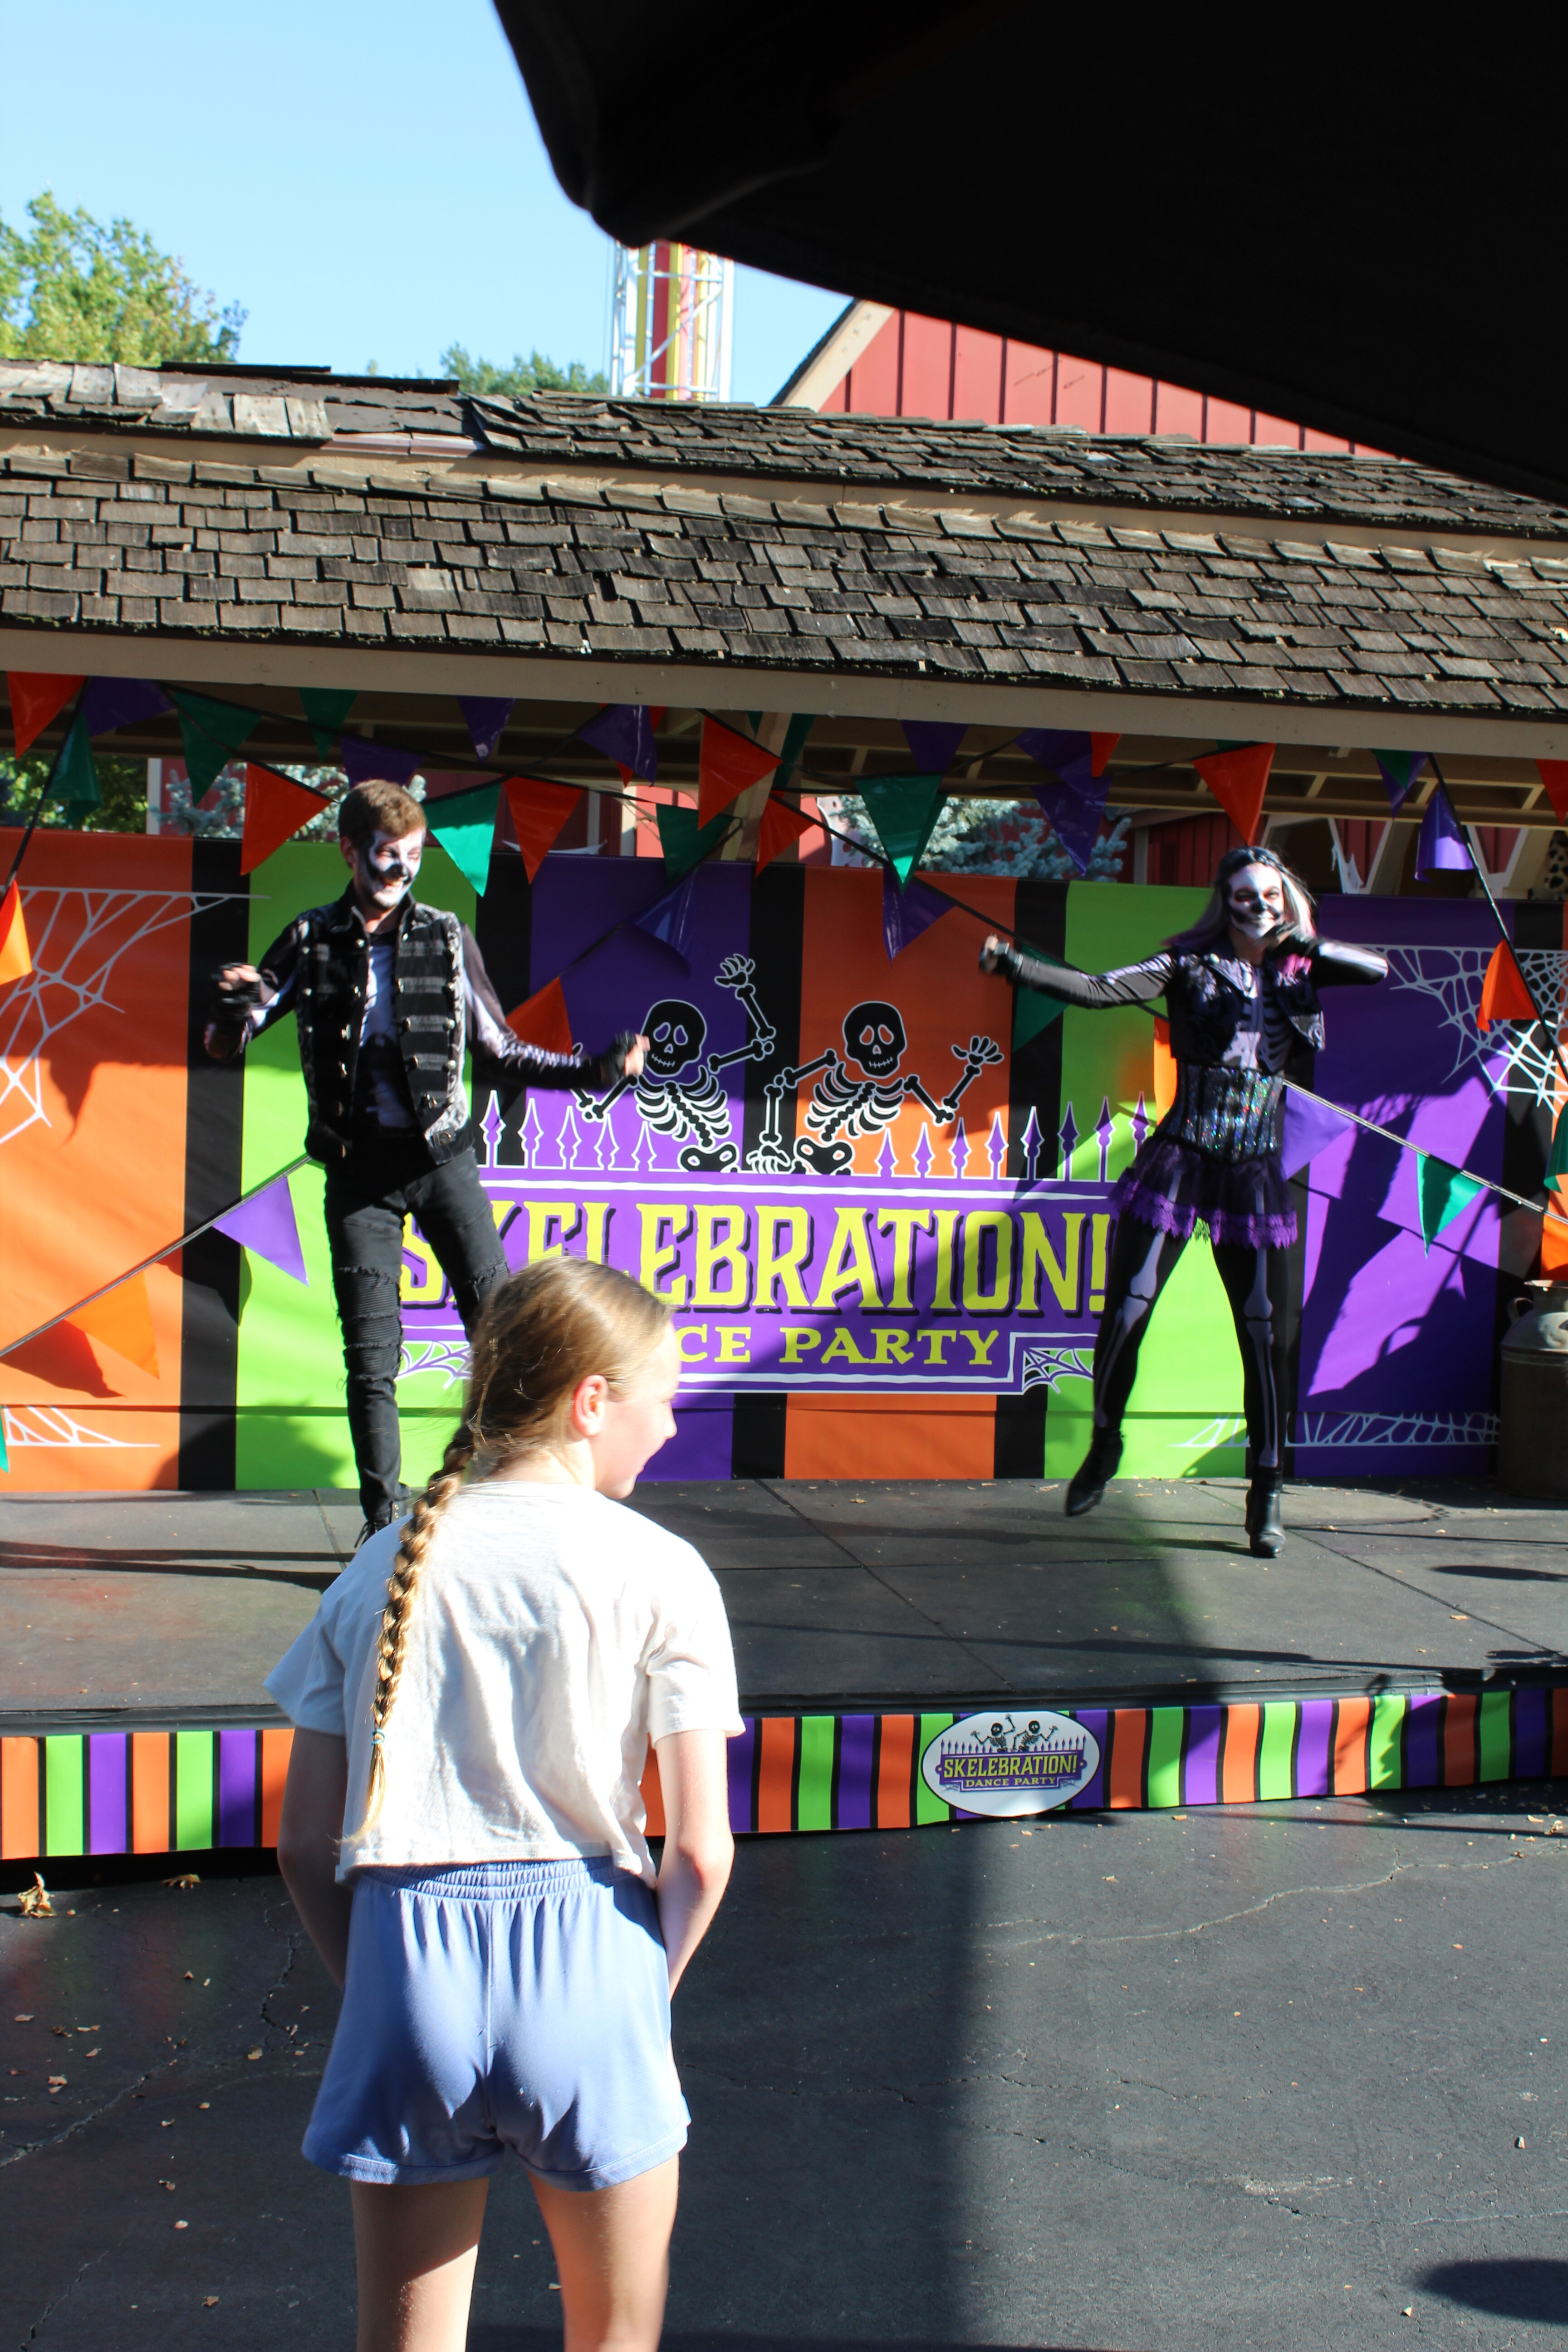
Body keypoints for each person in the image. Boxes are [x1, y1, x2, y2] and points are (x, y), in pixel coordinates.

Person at [270, 1255, 740, 2352]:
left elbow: (301, 1843)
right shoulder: (663, 1568)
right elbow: (701, 1852)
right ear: (592, 1401)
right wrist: (638, 1991)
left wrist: (379, 1985)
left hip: (405, 1965)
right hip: (590, 1958)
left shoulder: (380, 1565)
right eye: (665, 1397)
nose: (672, 1425)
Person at [206, 777, 648, 1541]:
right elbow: (230, 1040)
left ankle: (521, 1501)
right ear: (349, 852)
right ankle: (382, 1525)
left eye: (411, 856)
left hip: (444, 1166)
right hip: (359, 1179)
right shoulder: (312, 939)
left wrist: (594, 1071)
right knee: (371, 1356)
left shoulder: (445, 936)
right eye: (387, 855)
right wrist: (231, 1004)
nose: (400, 871)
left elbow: (500, 1049)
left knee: (502, 1334)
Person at [982, 846, 1386, 1555]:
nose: (1259, 908)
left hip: (1254, 1171)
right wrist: (1016, 966)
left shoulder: (1299, 970)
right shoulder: (1186, 965)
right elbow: (1099, 989)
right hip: (1183, 1157)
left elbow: (1377, 970)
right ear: (1224, 902)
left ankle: (1267, 1490)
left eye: (1271, 896)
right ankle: (1105, 1442)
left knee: (1264, 1335)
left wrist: (1300, 942)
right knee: (1127, 1311)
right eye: (1245, 896)